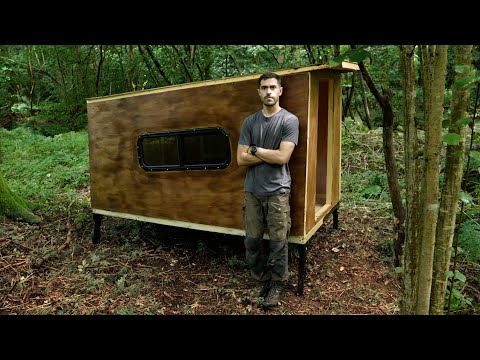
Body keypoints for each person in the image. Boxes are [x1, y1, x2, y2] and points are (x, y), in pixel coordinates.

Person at [236, 72, 299, 307]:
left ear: (280, 91)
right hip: (252, 190)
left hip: (277, 192)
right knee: (252, 240)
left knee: (278, 242)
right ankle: (260, 279)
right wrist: (267, 154)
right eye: (264, 88)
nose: (269, 91)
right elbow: (240, 160)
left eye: (273, 87)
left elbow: (283, 157)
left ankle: (277, 284)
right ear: (259, 92)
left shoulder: (289, 121)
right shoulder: (249, 121)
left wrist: (254, 150)